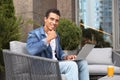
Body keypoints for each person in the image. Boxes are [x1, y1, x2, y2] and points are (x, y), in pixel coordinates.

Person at [26, 8, 89, 80]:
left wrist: (66, 57)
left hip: (56, 64)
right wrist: (48, 39)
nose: (54, 22)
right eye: (51, 19)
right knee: (71, 65)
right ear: (45, 19)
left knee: (82, 63)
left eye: (56, 20)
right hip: (43, 66)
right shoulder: (34, 34)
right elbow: (31, 50)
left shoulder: (56, 35)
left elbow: (59, 53)